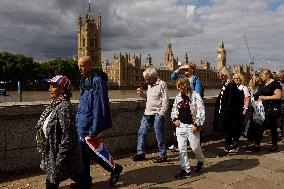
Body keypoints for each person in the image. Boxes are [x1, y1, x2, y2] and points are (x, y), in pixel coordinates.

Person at [73, 56, 123, 188]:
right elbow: (83, 104)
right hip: (81, 124)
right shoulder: (84, 80)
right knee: (83, 155)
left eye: (82, 66)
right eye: (79, 66)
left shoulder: (98, 80)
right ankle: (85, 181)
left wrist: (95, 127)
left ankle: (115, 168)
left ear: (91, 65)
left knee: (96, 152)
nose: (80, 68)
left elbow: (100, 105)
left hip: (90, 125)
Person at [35, 75, 83, 189]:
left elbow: (68, 135)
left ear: (62, 89)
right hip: (54, 152)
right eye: (50, 86)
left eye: (53, 86)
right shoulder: (55, 104)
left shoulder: (64, 106)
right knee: (75, 174)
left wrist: (59, 159)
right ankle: (84, 183)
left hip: (58, 154)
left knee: (52, 181)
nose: (49, 89)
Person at [132, 67, 169, 163]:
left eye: (147, 79)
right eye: (145, 79)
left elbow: (165, 101)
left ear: (154, 76)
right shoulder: (150, 85)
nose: (146, 81)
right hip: (147, 113)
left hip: (157, 113)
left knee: (159, 134)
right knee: (141, 132)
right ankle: (140, 153)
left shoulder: (162, 84)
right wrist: (142, 94)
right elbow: (149, 98)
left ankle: (162, 154)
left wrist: (161, 114)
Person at [171, 77, 205, 179]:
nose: (177, 88)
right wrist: (175, 119)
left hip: (192, 126)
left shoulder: (195, 96)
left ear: (184, 86)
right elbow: (174, 110)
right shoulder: (178, 97)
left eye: (178, 86)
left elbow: (201, 111)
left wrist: (196, 124)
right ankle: (186, 170)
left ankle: (201, 160)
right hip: (181, 126)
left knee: (195, 147)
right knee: (181, 149)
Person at [169, 63, 204, 151]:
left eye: (187, 69)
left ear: (192, 70)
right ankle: (178, 145)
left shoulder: (196, 80)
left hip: (191, 106)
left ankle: (196, 147)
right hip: (183, 105)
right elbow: (173, 76)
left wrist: (191, 98)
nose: (185, 70)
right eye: (184, 69)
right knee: (178, 126)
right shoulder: (182, 77)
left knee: (194, 128)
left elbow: (198, 93)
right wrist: (179, 68)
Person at [213, 67, 244, 157]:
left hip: (228, 113)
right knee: (226, 130)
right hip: (224, 111)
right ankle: (232, 144)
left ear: (224, 74)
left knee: (227, 130)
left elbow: (230, 100)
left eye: (220, 74)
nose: (219, 76)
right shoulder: (226, 84)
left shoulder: (231, 84)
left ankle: (226, 148)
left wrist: (225, 113)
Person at [254, 69, 282, 152]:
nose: (261, 76)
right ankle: (257, 145)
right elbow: (259, 93)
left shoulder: (275, 83)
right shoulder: (262, 83)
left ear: (268, 75)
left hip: (273, 109)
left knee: (273, 128)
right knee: (259, 126)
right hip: (263, 109)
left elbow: (278, 96)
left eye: (262, 75)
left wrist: (266, 98)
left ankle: (274, 145)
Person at [233, 73, 250, 142]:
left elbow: (247, 99)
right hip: (233, 109)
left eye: (237, 78)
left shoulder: (244, 88)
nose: (236, 80)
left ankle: (236, 140)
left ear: (241, 79)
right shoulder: (233, 87)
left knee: (238, 125)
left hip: (240, 109)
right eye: (234, 78)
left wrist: (245, 109)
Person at [276, 70, 284, 142]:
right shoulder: (278, 83)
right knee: (280, 121)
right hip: (279, 104)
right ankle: (282, 135)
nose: (279, 78)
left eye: (280, 77)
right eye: (278, 77)